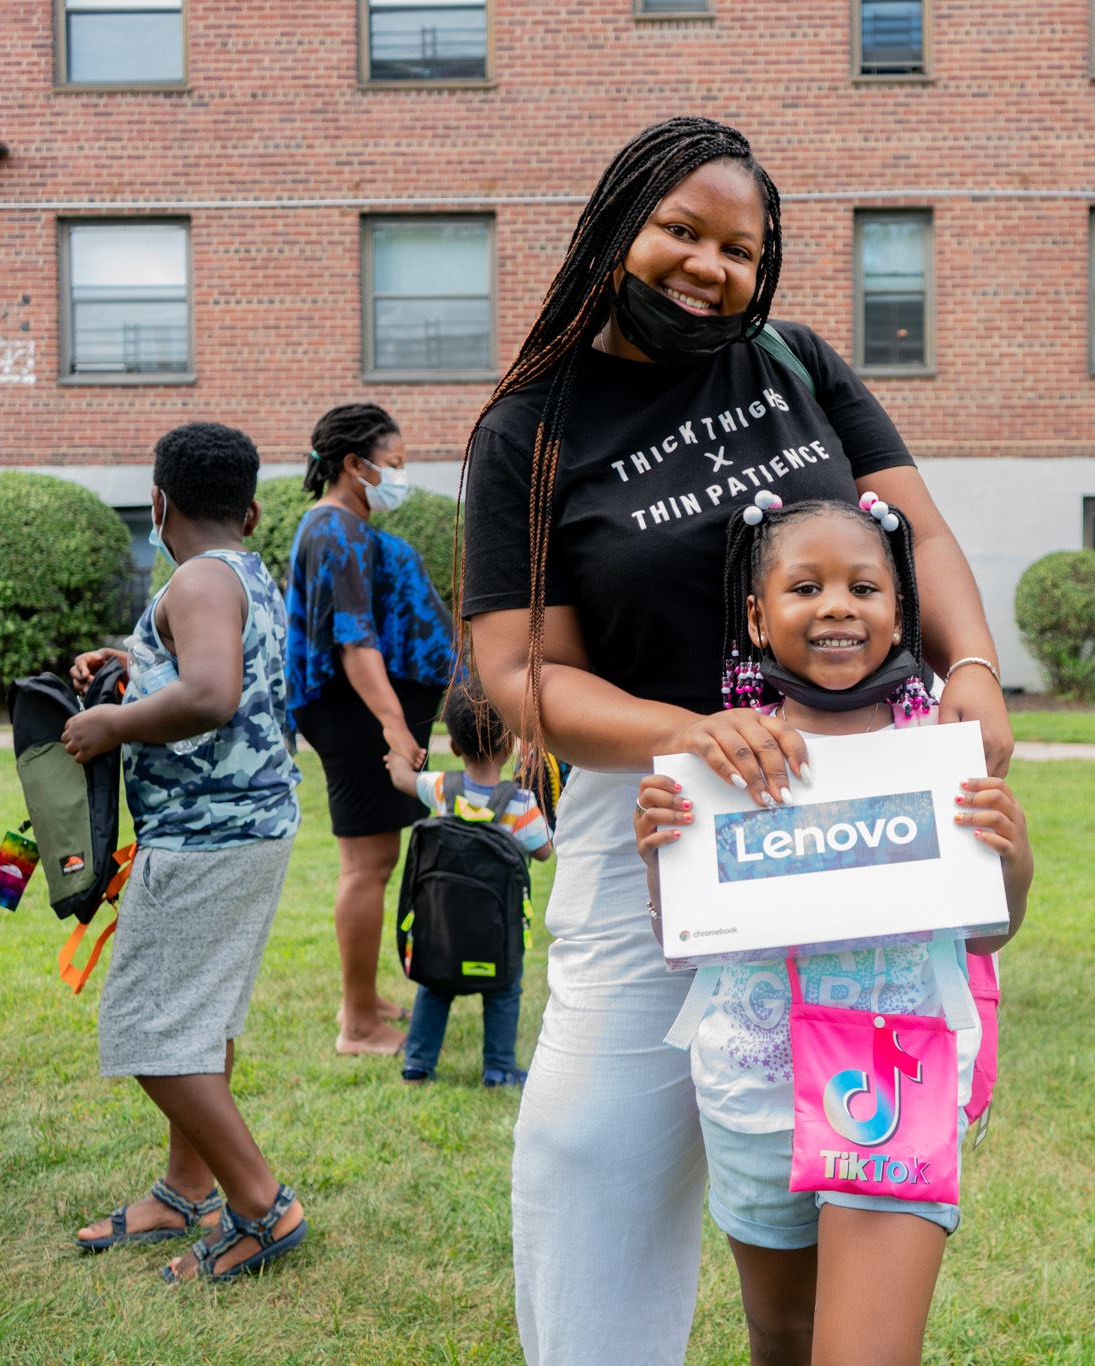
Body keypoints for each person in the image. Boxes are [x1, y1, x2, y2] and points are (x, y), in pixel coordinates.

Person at [461, 117, 1013, 1366]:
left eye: (739, 247)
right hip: (662, 810)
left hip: (869, 789)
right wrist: (694, 731)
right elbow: (517, 674)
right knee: (593, 1143)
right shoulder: (530, 431)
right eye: (679, 231)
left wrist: (970, 669)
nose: (708, 266)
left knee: (836, 1174)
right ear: (615, 228)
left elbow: (914, 535)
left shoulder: (791, 362)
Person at [635, 495, 1031, 1365]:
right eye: (805, 587)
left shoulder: (939, 752)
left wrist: (1009, 849)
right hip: (752, 1076)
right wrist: (662, 849)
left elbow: (989, 937)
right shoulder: (724, 759)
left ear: (901, 611)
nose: (838, 606)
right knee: (782, 1335)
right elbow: (684, 940)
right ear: (757, 613)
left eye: (865, 586)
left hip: (896, 1067)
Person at [63, 422, 308, 1282]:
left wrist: (109, 722)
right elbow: (205, 673)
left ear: (158, 501)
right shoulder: (243, 571)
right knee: (198, 1021)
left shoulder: (197, 577)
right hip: (249, 826)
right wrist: (134, 667)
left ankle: (262, 1207)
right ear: (250, 509)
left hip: (207, 836)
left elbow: (211, 694)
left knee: (152, 1029)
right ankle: (182, 1190)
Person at [286, 402, 455, 1056]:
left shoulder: (344, 526)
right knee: (368, 864)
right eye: (395, 464)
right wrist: (391, 723)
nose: (399, 476)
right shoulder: (334, 529)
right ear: (356, 465)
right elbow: (354, 641)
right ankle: (358, 1022)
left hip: (366, 713)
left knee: (377, 860)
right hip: (356, 716)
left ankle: (364, 997)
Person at [385, 686, 552, 1088]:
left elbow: (403, 779)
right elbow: (545, 852)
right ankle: (498, 1068)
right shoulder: (522, 804)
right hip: (497, 933)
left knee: (435, 987)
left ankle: (417, 1065)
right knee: (503, 991)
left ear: (455, 746)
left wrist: (398, 757)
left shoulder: (442, 787)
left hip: (442, 926)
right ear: (510, 742)